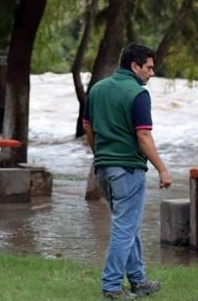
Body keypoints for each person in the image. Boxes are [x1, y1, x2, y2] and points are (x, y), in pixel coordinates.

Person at [83, 44, 172, 299]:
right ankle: (111, 286)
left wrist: (99, 152)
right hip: (128, 169)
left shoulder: (98, 89)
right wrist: (163, 170)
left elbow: (87, 126)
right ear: (134, 66)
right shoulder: (137, 94)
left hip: (104, 169)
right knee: (125, 227)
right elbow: (143, 135)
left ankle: (138, 280)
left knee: (128, 225)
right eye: (149, 67)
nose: (152, 73)